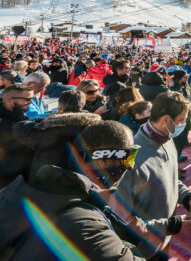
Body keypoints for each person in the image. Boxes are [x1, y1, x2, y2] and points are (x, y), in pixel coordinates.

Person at [0, 121, 146, 259]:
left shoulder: (14, 192)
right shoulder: (87, 225)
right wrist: (127, 241)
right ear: (102, 161)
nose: (130, 165)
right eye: (129, 156)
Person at [112, 91, 191, 259]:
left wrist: (187, 195)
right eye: (182, 120)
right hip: (143, 252)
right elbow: (122, 221)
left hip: (163, 241)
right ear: (166, 119)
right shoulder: (132, 161)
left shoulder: (167, 139)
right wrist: (169, 225)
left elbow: (170, 178)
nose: (184, 125)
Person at [13, 89, 101, 181]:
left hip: (45, 181)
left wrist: (49, 119)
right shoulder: (94, 127)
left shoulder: (48, 128)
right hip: (80, 181)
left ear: (59, 107)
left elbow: (20, 127)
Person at [0, 83, 35, 188]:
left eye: (32, 98)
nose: (32, 102)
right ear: (9, 100)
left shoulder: (19, 113)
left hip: (19, 177)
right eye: (27, 99)